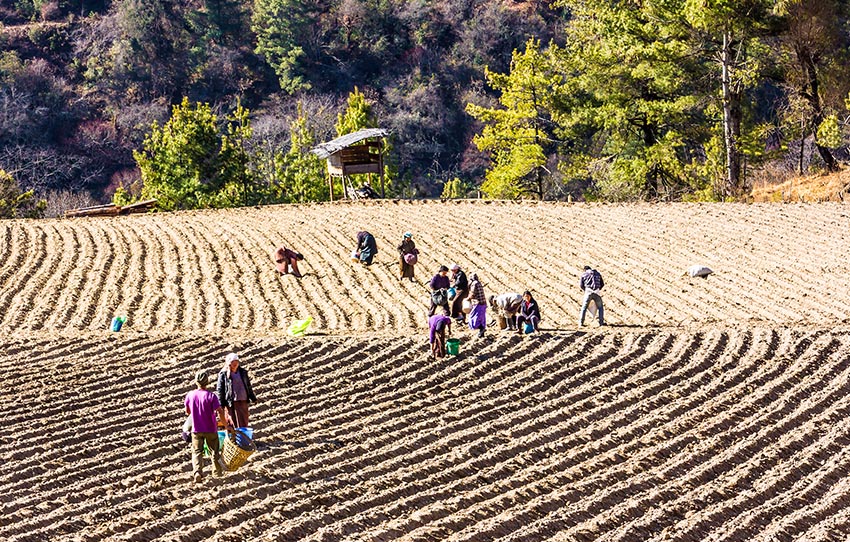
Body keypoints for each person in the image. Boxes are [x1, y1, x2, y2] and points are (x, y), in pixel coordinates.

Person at [185, 369, 228, 483]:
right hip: (210, 428)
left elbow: (187, 412)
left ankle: (198, 472)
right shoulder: (211, 396)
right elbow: (219, 411)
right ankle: (217, 472)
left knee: (197, 451)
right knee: (214, 451)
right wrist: (226, 425)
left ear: (196, 382)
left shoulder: (190, 395)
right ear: (207, 382)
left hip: (196, 429)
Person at [216, 352, 257, 429]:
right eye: (233, 363)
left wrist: (253, 397)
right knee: (232, 422)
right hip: (231, 402)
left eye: (236, 362)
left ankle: (243, 437)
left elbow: (248, 386)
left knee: (244, 421)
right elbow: (220, 389)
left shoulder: (242, 372)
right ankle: (233, 438)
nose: (235, 364)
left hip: (243, 400)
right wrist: (221, 404)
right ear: (229, 363)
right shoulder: (223, 374)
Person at [466, 273, 487, 338]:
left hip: (478, 303)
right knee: (481, 317)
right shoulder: (478, 283)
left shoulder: (474, 284)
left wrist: (467, 299)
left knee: (473, 317)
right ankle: (482, 332)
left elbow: (472, 293)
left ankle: (481, 329)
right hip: (483, 303)